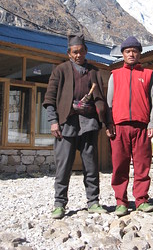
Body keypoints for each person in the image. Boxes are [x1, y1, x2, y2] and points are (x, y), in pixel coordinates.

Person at [43, 33, 110, 219]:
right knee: (63, 166)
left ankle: (93, 202)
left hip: (88, 124)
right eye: (75, 52)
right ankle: (59, 203)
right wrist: (53, 121)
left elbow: (101, 99)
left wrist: (105, 121)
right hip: (66, 124)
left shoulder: (94, 72)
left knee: (91, 164)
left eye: (81, 51)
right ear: (69, 53)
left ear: (86, 51)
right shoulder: (60, 70)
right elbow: (49, 99)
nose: (78, 55)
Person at [106, 36, 153, 217]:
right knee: (119, 165)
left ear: (139, 54)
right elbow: (109, 102)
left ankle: (141, 200)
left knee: (142, 165)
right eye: (128, 51)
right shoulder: (115, 75)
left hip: (142, 127)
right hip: (119, 127)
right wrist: (109, 123)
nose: (131, 54)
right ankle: (121, 202)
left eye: (135, 51)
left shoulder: (148, 74)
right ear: (122, 54)